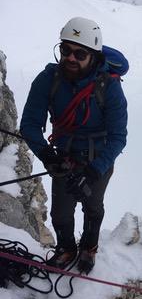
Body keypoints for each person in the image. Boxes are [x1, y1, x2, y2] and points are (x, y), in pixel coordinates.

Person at [20, 17, 128, 274]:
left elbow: (117, 137)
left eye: (80, 53)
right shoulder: (49, 79)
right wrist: (48, 156)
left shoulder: (109, 87)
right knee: (61, 213)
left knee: (93, 206)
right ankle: (66, 248)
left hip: (98, 157)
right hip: (65, 155)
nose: (70, 58)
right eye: (66, 50)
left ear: (93, 56)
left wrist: (94, 171)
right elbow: (30, 124)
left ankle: (88, 247)